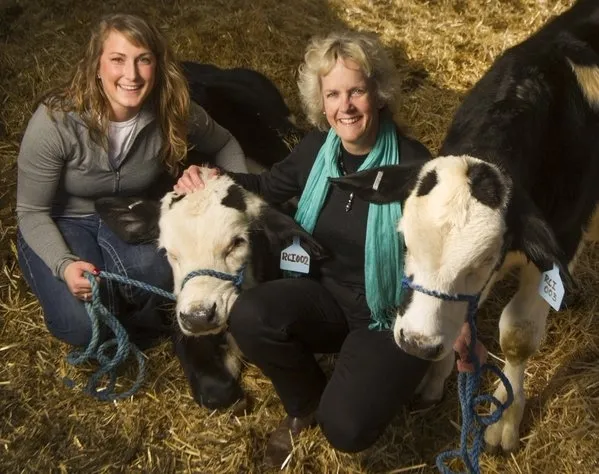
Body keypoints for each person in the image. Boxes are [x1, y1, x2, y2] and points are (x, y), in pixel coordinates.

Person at [175, 30, 487, 466]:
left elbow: (451, 248)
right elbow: (264, 186)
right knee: (250, 314)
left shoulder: (417, 167)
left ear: (378, 93)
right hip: (321, 294)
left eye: (357, 90)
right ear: (321, 103)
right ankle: (304, 405)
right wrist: (206, 176)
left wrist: (462, 318)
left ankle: (369, 383)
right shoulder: (314, 151)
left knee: (346, 428)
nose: (346, 106)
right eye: (334, 94)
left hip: (389, 314)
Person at [16, 13, 248, 351]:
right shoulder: (56, 122)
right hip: (61, 221)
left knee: (169, 271)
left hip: (127, 214)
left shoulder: (172, 110)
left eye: (144, 60)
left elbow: (225, 143)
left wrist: (232, 197)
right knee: (83, 327)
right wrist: (64, 266)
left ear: (157, 65)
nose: (132, 74)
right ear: (97, 66)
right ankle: (114, 303)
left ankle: (119, 299)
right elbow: (31, 212)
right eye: (118, 60)